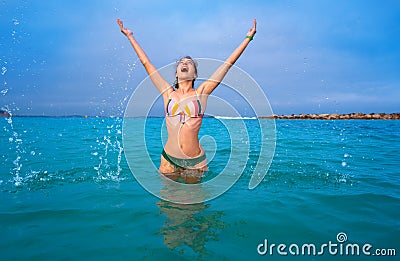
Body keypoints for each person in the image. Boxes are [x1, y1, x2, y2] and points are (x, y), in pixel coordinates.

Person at [117, 18, 256, 183]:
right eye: (181, 63)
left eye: (189, 63)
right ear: (176, 73)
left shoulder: (201, 92)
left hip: (194, 162)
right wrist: (130, 36)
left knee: (192, 205)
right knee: (167, 206)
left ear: (195, 74)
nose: (184, 64)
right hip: (169, 159)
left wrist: (248, 38)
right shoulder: (167, 93)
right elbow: (146, 63)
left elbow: (228, 64)